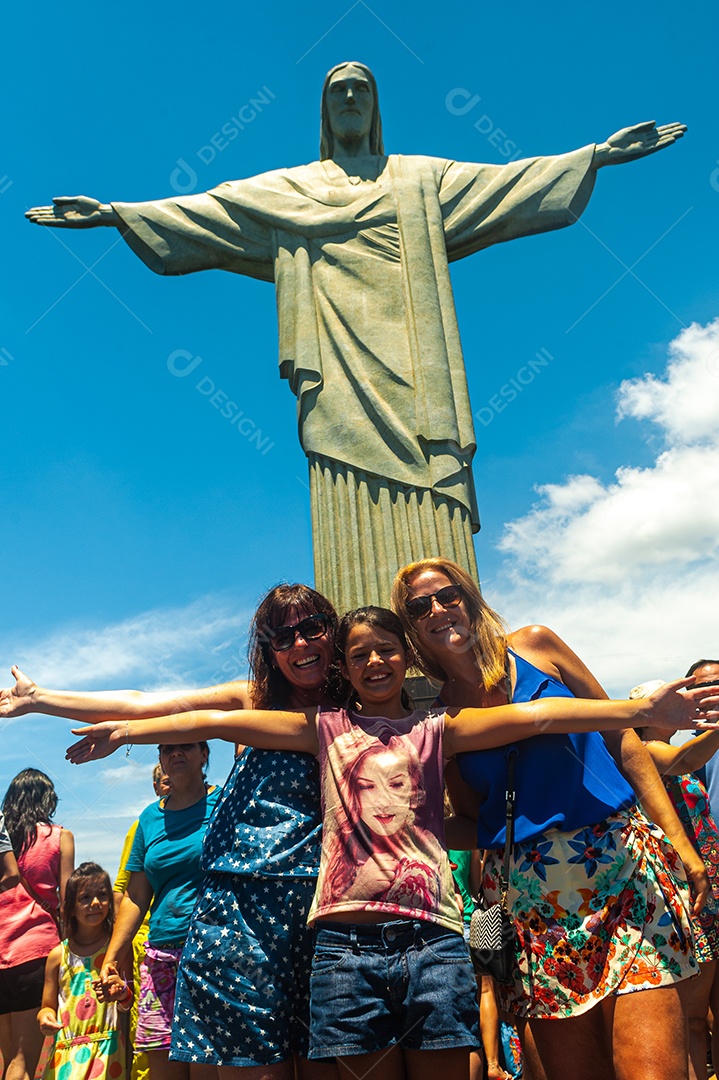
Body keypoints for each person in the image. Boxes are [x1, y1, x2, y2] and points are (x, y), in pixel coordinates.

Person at [23, 63, 686, 611]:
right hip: (334, 365)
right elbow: (207, 211)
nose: (348, 98)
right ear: (324, 111)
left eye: (360, 90)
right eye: (337, 90)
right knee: (340, 472)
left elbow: (506, 182)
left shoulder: (418, 178)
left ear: (373, 107)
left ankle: (443, 643)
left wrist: (596, 156)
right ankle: (359, 638)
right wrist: (114, 214)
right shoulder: (290, 190)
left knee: (430, 468)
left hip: (417, 362)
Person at [62, 606, 714, 1080]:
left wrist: (638, 713)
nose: (374, 663)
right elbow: (213, 719)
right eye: (359, 655)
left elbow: (538, 715)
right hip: (344, 947)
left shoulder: (439, 727)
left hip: (435, 938)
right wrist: (125, 732)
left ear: (405, 657)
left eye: (386, 650)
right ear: (344, 670)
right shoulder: (322, 727)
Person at [1, 582, 344, 1079]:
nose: (300, 644)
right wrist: (41, 699)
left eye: (312, 628)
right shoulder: (253, 698)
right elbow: (148, 704)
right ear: (268, 649)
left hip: (321, 913)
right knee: (254, 1068)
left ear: (334, 631)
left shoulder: (356, 708)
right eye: (282, 636)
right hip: (240, 921)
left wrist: (129, 734)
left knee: (323, 1065)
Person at [391, 557, 712, 1080]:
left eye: (448, 596)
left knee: (652, 1070)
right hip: (531, 902)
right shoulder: (440, 719)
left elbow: (622, 741)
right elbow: (476, 821)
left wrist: (679, 843)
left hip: (621, 869)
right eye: (419, 606)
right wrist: (390, 825)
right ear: (411, 626)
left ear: (470, 599)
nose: (438, 610)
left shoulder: (537, 646)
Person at [99, 743, 219, 1080]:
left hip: (211, 957)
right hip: (160, 960)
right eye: (167, 749)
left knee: (207, 1070)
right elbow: (136, 896)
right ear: (161, 760)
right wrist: (111, 958)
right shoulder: (149, 819)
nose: (176, 754)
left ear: (204, 754)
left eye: (186, 746)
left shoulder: (225, 802)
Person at [635, 679, 719, 1080]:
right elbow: (684, 759)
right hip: (685, 888)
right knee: (693, 1016)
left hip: (710, 883)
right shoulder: (645, 750)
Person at [0, 770, 74, 1080]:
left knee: (5, 1058)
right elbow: (68, 901)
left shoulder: (3, 840)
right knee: (25, 1060)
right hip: (36, 951)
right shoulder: (59, 837)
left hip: (1, 952)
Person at [37, 861, 128, 1080]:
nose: (95, 903)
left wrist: (122, 993)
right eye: (85, 897)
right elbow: (47, 1006)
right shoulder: (58, 955)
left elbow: (129, 1003)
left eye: (102, 895)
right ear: (70, 907)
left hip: (109, 1052)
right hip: (65, 1057)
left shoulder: (117, 949)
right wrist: (45, 1019)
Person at [114, 766, 171, 1080]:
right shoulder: (144, 825)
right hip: (147, 943)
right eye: (164, 781)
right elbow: (123, 891)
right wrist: (118, 956)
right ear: (155, 787)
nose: (170, 784)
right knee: (149, 1040)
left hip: (191, 941)